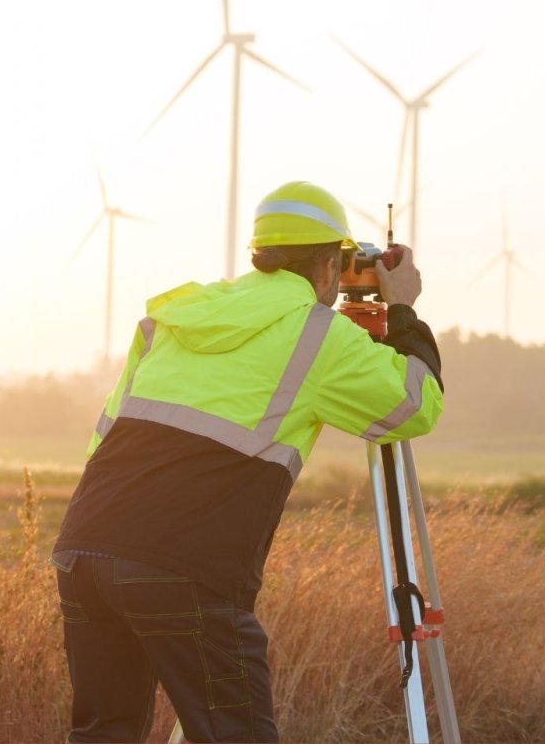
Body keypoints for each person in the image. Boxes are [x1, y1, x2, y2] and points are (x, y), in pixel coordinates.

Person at [50, 181, 444, 743]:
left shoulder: (178, 316)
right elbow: (415, 405)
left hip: (84, 547)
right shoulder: (316, 333)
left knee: (103, 735)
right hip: (181, 566)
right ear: (331, 265)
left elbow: (103, 440)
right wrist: (402, 308)